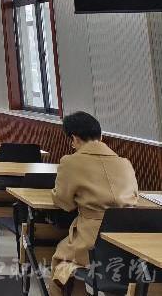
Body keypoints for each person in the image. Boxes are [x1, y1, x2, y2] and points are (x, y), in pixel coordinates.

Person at [49, 112, 139, 296]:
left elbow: (64, 203)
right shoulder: (125, 163)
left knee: (60, 260)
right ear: (101, 136)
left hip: (92, 240)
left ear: (74, 138)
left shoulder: (70, 162)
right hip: (130, 242)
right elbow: (134, 198)